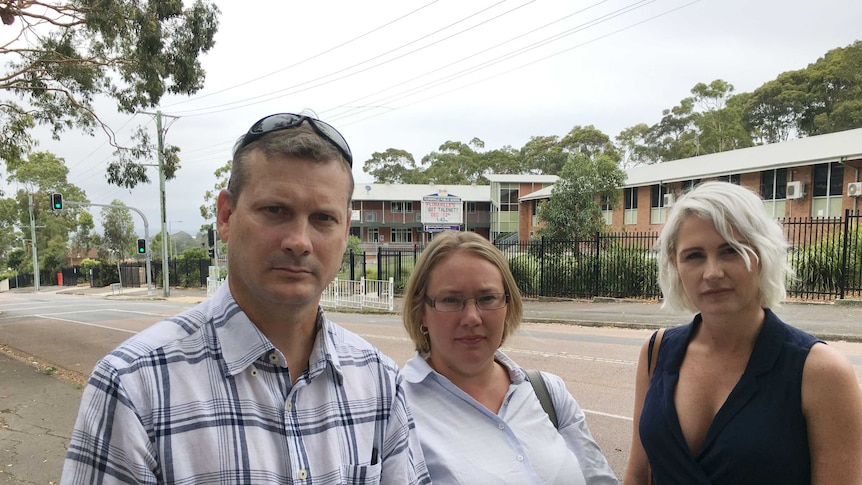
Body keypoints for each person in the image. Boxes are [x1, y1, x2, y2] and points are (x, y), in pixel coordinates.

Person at [62, 112, 430, 484]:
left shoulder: (379, 381)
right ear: (226, 216)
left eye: (322, 218)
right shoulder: (135, 386)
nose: (299, 241)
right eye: (275, 211)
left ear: (345, 229)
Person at [623, 181, 862, 485]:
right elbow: (638, 475)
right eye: (694, 255)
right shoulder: (656, 352)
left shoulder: (820, 372)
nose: (712, 272)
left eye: (731, 251)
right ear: (675, 264)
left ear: (763, 254)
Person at [401, 230, 619, 484]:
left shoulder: (547, 393)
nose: (472, 317)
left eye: (487, 298)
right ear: (421, 313)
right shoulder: (398, 411)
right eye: (450, 300)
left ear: (508, 304)